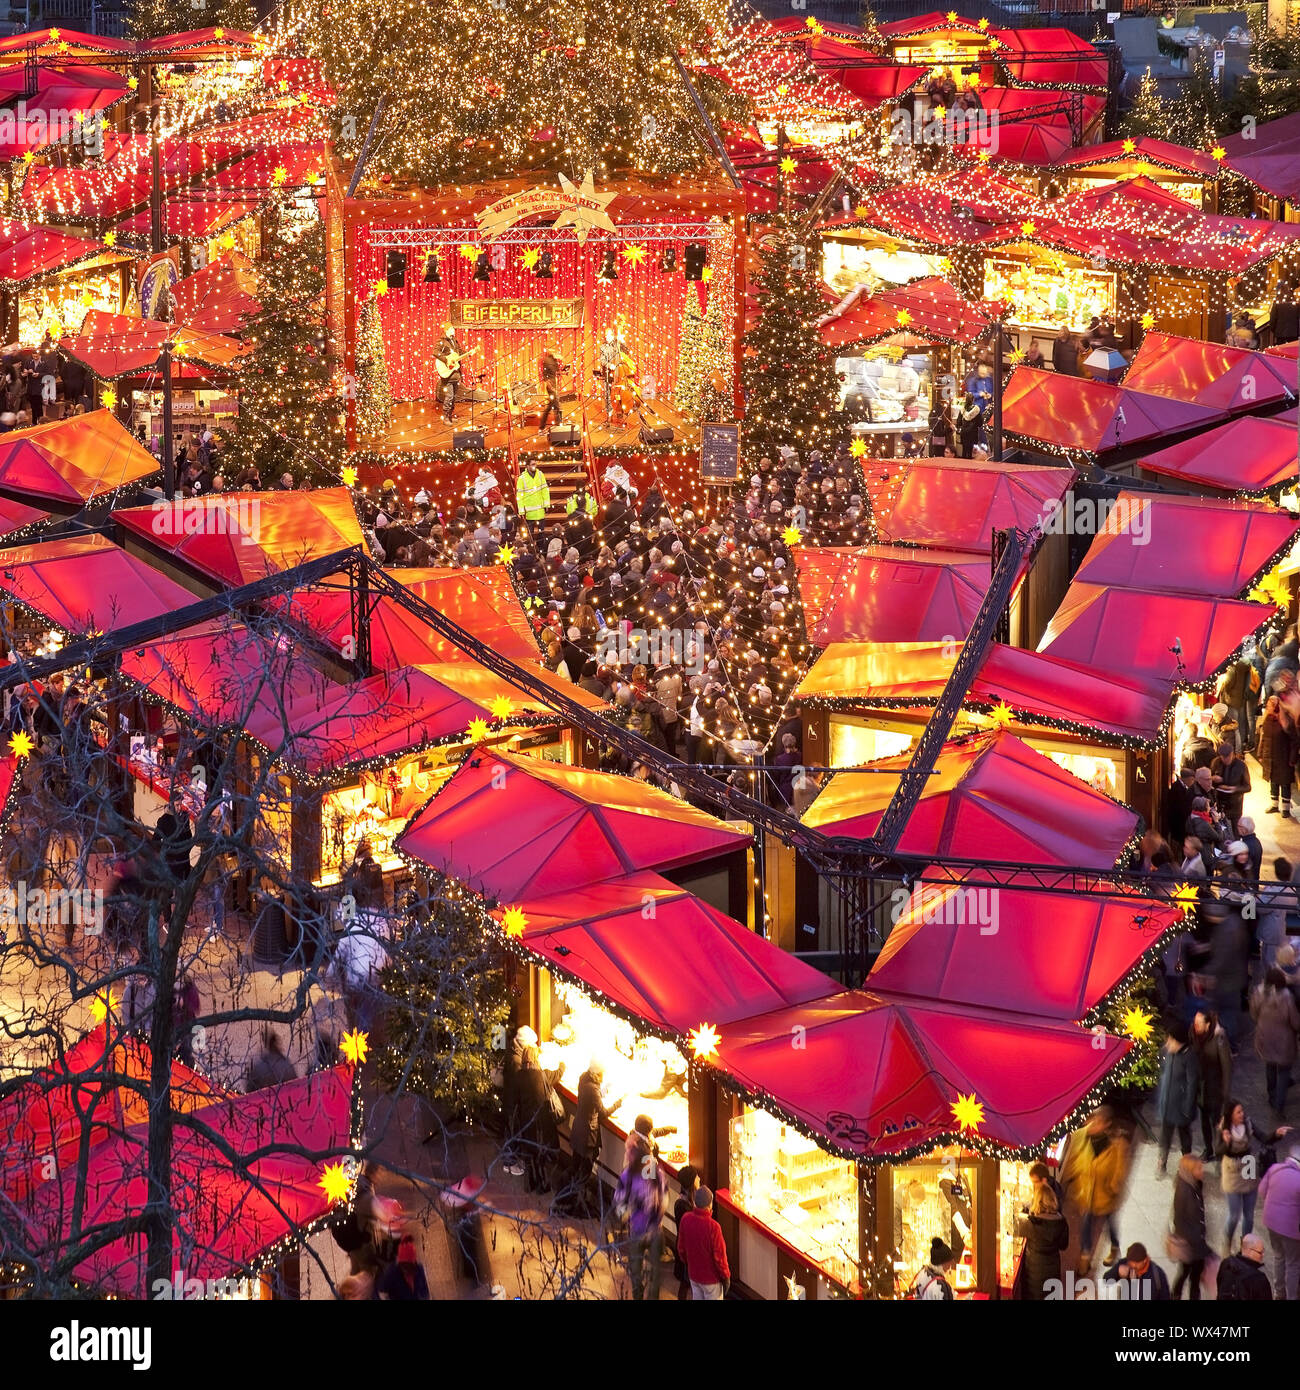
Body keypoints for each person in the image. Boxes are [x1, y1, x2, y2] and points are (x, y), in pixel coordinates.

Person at [1059, 1107, 1130, 1271]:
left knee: (1110, 1224)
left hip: (1106, 1196)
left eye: (1097, 1122)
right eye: (1092, 1120)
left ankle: (1114, 1246)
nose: (1092, 1124)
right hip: (1087, 1193)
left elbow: (1119, 1172)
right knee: (1085, 1225)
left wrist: (1112, 1188)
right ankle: (1085, 1258)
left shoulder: (1118, 1146)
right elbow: (1073, 1162)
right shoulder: (1082, 1139)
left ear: (1107, 1125)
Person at [614, 1114, 667, 1300]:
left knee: (643, 1271)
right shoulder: (635, 1175)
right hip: (647, 1228)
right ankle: (640, 1295)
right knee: (645, 1272)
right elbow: (662, 1198)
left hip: (644, 1228)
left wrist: (629, 1215)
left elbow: (661, 1197)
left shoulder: (636, 1174)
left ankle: (643, 1295)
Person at [569, 1059, 618, 1209]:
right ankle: (578, 1202)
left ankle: (570, 1195)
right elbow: (602, 1113)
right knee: (585, 1169)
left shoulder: (584, 1078)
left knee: (575, 1164)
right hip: (587, 1136)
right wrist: (618, 1104)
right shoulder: (593, 1089)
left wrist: (601, 1092)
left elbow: (590, 1099)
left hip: (578, 1129)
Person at [1251, 966, 1300, 1114]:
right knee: (1284, 1071)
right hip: (1284, 1041)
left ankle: (1271, 1094)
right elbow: (1295, 1022)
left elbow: (1254, 1013)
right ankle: (1279, 1103)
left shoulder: (1258, 993)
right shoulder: (1287, 997)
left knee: (1270, 1065)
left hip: (1264, 1037)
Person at [1155, 1020, 1200, 1176]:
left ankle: (1187, 1164)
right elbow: (1163, 1069)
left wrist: (1187, 1109)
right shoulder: (1168, 1052)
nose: (1168, 1042)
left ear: (1180, 1041)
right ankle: (1162, 1163)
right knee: (1165, 1136)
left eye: (1171, 1040)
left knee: (1184, 1136)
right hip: (1168, 1103)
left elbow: (1192, 1084)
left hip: (1181, 1108)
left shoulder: (1190, 1057)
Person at [515, 1038, 560, 1194]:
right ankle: (543, 1185)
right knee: (540, 1155)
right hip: (540, 1123)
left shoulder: (519, 1076)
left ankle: (531, 1183)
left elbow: (516, 1100)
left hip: (526, 1122)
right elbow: (559, 1073)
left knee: (530, 1155)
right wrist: (562, 1062)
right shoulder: (542, 1075)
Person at [1259, 1138, 1300, 1298]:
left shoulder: (1275, 1169)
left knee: (1278, 1256)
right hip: (1291, 1229)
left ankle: (1278, 1291)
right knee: (1293, 1263)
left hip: (1271, 1222)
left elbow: (1262, 1191)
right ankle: (1291, 1297)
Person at [675, 1184, 730, 1299]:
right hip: (711, 1280)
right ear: (710, 1205)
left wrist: (689, 1263)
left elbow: (681, 1248)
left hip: (694, 1275)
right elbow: (719, 1257)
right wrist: (726, 1276)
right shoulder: (714, 1227)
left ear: (695, 1203)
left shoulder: (686, 1219)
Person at [1168, 1155, 1211, 1299]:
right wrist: (1196, 1240)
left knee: (1192, 1273)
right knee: (1188, 1272)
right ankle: (1177, 1294)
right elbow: (1179, 1220)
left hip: (1196, 1241)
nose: (1202, 1170)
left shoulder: (1194, 1183)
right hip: (1190, 1243)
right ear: (1189, 1170)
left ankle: (1180, 1293)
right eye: (1198, 1168)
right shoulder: (1183, 1192)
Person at [1191, 1009, 1232, 1160]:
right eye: (1195, 1022)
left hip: (1215, 1091)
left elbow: (1227, 1068)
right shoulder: (1195, 1034)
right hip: (1201, 1090)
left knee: (1217, 1124)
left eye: (1199, 1024)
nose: (1195, 1026)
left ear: (1208, 1024)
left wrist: (1225, 1096)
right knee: (1204, 1123)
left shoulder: (1219, 1039)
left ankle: (1220, 1153)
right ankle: (1208, 1149)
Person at [1017, 1185, 1068, 1300]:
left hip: (1035, 1274)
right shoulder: (1062, 1222)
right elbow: (1064, 1245)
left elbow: (1013, 1225)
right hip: (1053, 1269)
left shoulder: (1032, 1224)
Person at [1259, 694, 1297, 816]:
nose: (1267, 707)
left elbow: (1294, 741)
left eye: (1269, 705)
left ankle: (1285, 808)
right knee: (1273, 781)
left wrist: (1292, 758)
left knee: (1284, 782)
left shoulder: (1286, 722)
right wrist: (1261, 754)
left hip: (1284, 758)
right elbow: (1263, 738)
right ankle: (1274, 805)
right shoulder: (1267, 720)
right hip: (1271, 757)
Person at [671, 1165, 700, 1300]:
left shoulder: (686, 1202)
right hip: (687, 1253)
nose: (699, 1179)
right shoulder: (683, 1206)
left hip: (686, 1250)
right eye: (696, 1177)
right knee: (687, 1282)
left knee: (687, 1283)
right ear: (691, 1182)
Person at [1104, 1242, 1170, 1300]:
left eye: (1137, 1263)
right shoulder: (1125, 1263)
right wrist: (1117, 1271)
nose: (1133, 1265)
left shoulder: (1158, 1275)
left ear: (1145, 1260)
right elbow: (1106, 1280)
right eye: (1131, 1262)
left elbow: (1165, 1297)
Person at [1217, 1233, 1273, 1300]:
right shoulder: (1259, 1279)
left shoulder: (1226, 1263)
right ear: (1250, 1251)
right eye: (1260, 1252)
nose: (1262, 1255)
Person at [376, 1235, 430, 1300]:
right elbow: (382, 1292)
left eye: (410, 1265)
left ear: (414, 1261)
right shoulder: (392, 1271)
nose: (406, 1268)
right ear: (400, 1262)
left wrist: (425, 1297)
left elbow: (425, 1291)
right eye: (404, 1265)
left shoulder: (419, 1268)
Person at [1210, 742, 1251, 825]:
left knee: (1234, 829)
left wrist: (1235, 789)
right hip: (1219, 802)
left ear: (1232, 754)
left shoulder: (1241, 766)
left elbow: (1248, 787)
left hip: (1235, 805)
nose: (1225, 760)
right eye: (1223, 757)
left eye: (1228, 757)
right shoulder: (1216, 763)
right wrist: (1213, 779)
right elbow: (1209, 780)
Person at [516, 458, 550, 525]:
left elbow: (545, 491)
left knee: (541, 533)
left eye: (535, 464)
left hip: (540, 512)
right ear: (527, 466)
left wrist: (546, 505)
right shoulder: (522, 478)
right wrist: (521, 511)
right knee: (531, 534)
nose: (535, 466)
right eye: (532, 464)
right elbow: (519, 496)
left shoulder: (540, 475)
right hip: (529, 514)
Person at [597, 327, 620, 418]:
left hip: (618, 371)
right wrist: (610, 365)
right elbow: (602, 361)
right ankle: (609, 410)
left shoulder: (617, 345)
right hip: (607, 371)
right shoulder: (602, 347)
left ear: (612, 335)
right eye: (605, 335)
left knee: (619, 391)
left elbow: (624, 353)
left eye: (608, 335)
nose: (606, 337)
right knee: (607, 392)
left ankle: (619, 410)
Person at [539, 346, 563, 432]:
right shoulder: (547, 360)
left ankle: (541, 427)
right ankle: (559, 425)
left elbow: (556, 371)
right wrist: (550, 386)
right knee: (556, 406)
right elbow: (545, 374)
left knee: (550, 407)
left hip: (553, 384)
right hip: (551, 386)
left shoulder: (553, 360)